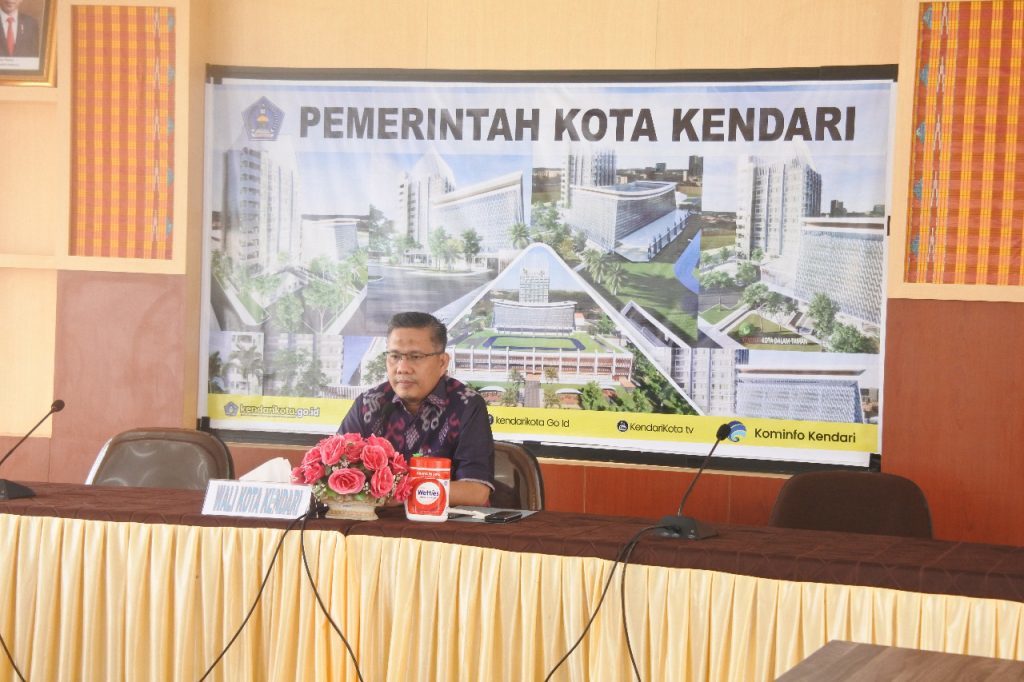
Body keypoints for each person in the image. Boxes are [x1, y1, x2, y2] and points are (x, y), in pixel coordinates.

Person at [339, 311, 493, 506]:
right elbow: (333, 473)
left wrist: (396, 493)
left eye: (415, 356)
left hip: (444, 522)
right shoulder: (368, 404)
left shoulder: (467, 405)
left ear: (442, 362)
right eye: (395, 356)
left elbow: (476, 491)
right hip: (377, 522)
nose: (402, 368)